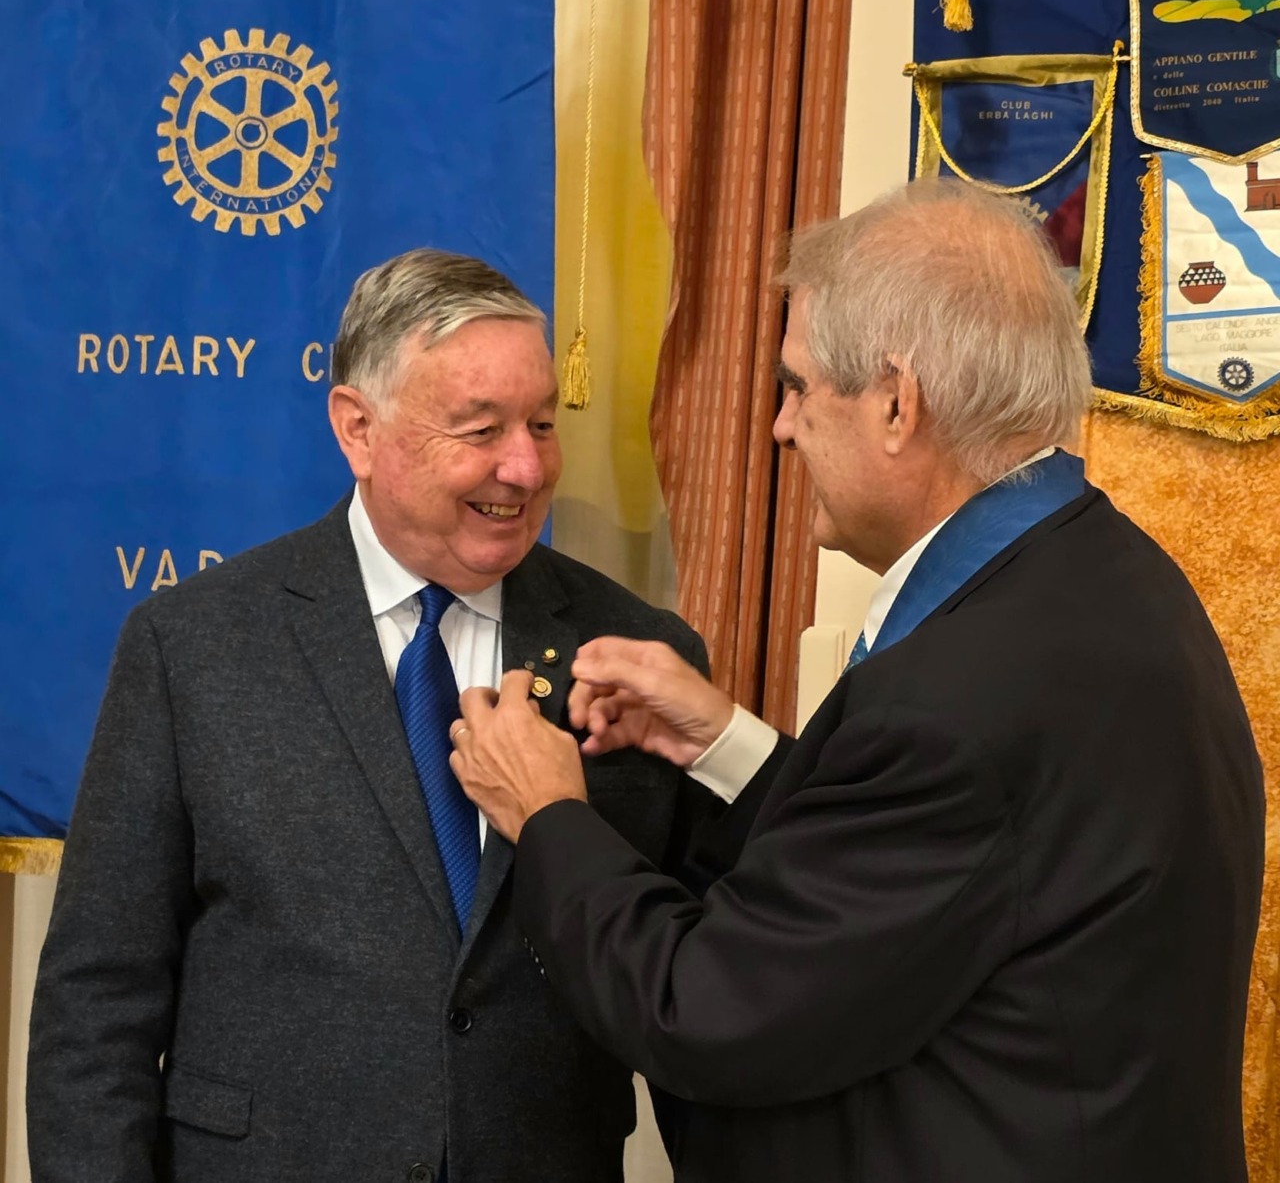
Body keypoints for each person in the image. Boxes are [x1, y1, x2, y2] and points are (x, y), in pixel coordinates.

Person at [449, 180, 1267, 1183]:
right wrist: (726, 744)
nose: (780, 427)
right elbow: (918, 881)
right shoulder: (1102, 572)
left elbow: (704, 1008)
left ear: (893, 401)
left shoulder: (956, 697)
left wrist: (546, 815)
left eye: (796, 387)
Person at [27, 249, 719, 1183]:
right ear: (359, 427)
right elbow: (98, 1000)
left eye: (544, 424)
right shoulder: (191, 645)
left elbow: (696, 987)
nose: (525, 466)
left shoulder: (640, 654)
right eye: (482, 428)